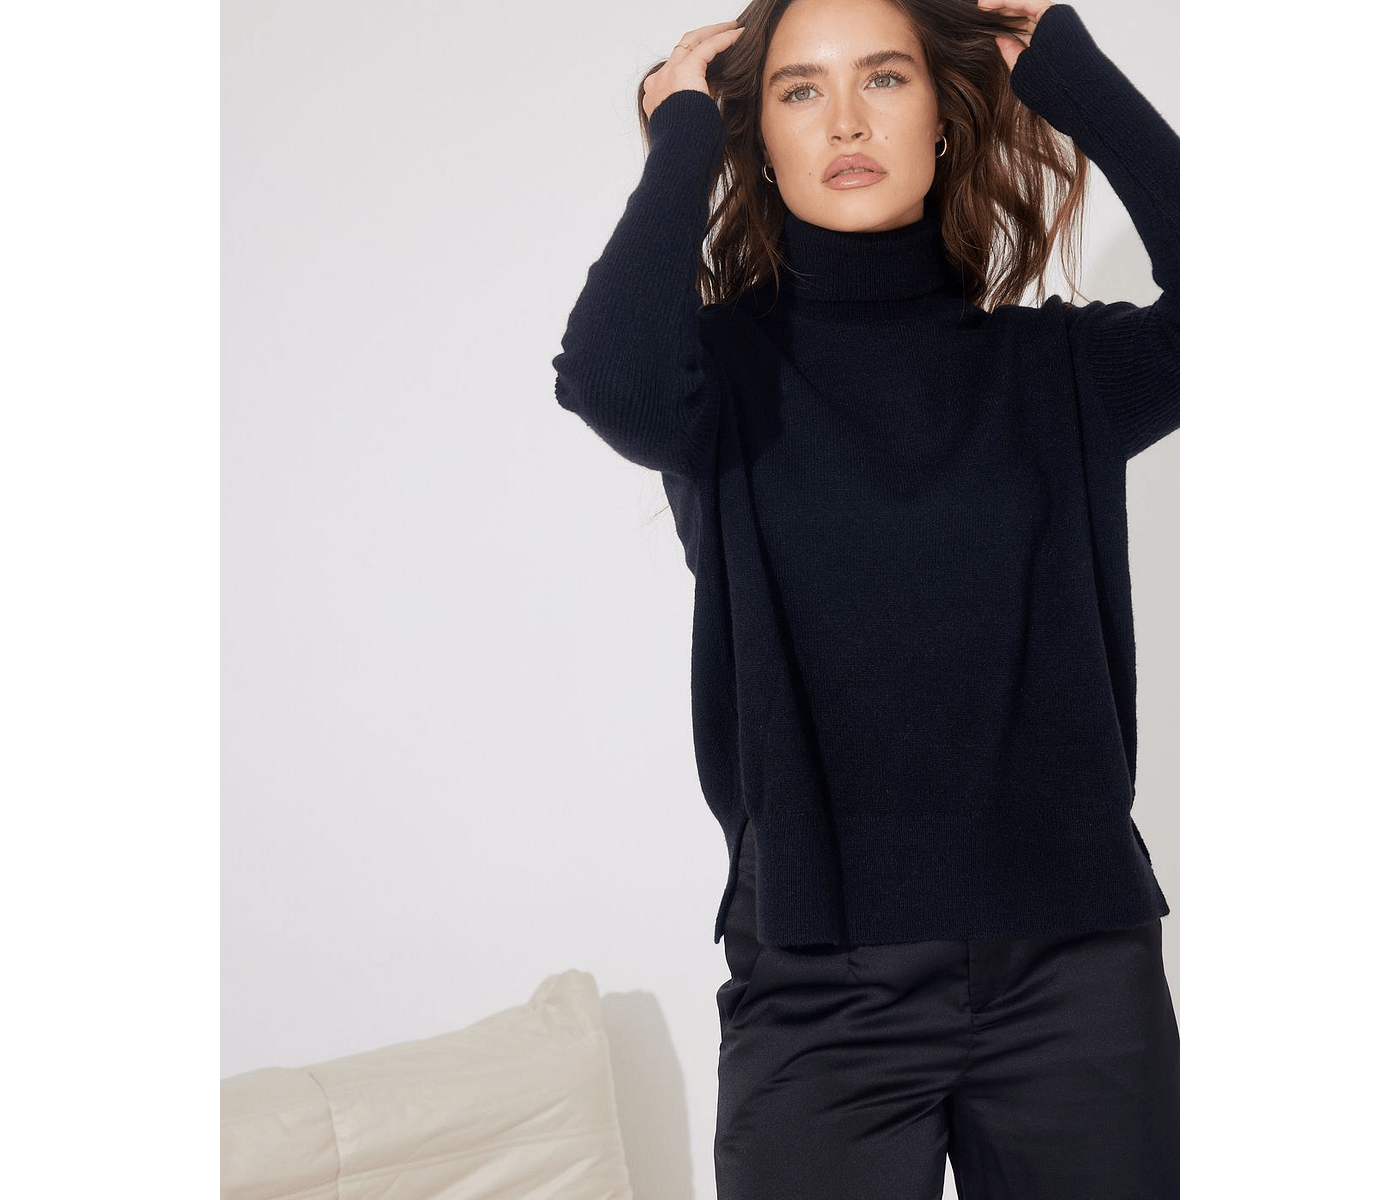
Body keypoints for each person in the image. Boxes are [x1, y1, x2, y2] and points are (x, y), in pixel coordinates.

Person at [552, 0, 1179, 1195]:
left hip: (1075, 972)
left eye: (883, 78)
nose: (843, 119)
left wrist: (1072, 73)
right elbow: (607, 377)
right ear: (759, 138)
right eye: (798, 90)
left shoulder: (1056, 371)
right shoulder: (712, 383)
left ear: (941, 119)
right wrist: (680, 132)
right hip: (818, 982)